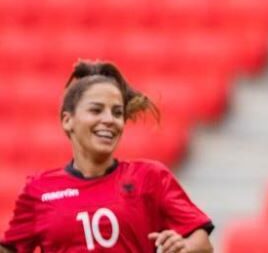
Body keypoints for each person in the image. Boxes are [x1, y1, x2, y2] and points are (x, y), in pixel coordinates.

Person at [0, 61, 214, 253]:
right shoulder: (39, 190)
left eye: (117, 113)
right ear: (68, 120)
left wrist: (183, 247)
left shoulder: (150, 177)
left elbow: (203, 243)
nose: (109, 120)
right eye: (96, 110)